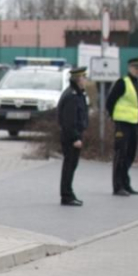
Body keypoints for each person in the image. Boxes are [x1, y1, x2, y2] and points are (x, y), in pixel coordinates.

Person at [106, 57, 138, 196]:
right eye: (136, 68)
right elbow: (110, 101)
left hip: (135, 123)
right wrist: (114, 117)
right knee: (120, 155)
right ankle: (118, 186)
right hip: (123, 123)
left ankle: (126, 183)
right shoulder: (122, 83)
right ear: (130, 68)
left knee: (130, 155)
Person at [56, 66, 89, 206]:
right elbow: (69, 120)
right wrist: (76, 137)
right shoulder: (72, 96)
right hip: (71, 137)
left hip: (72, 135)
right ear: (78, 79)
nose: (85, 80)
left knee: (71, 166)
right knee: (69, 166)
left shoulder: (76, 93)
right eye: (84, 77)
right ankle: (66, 195)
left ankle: (69, 193)